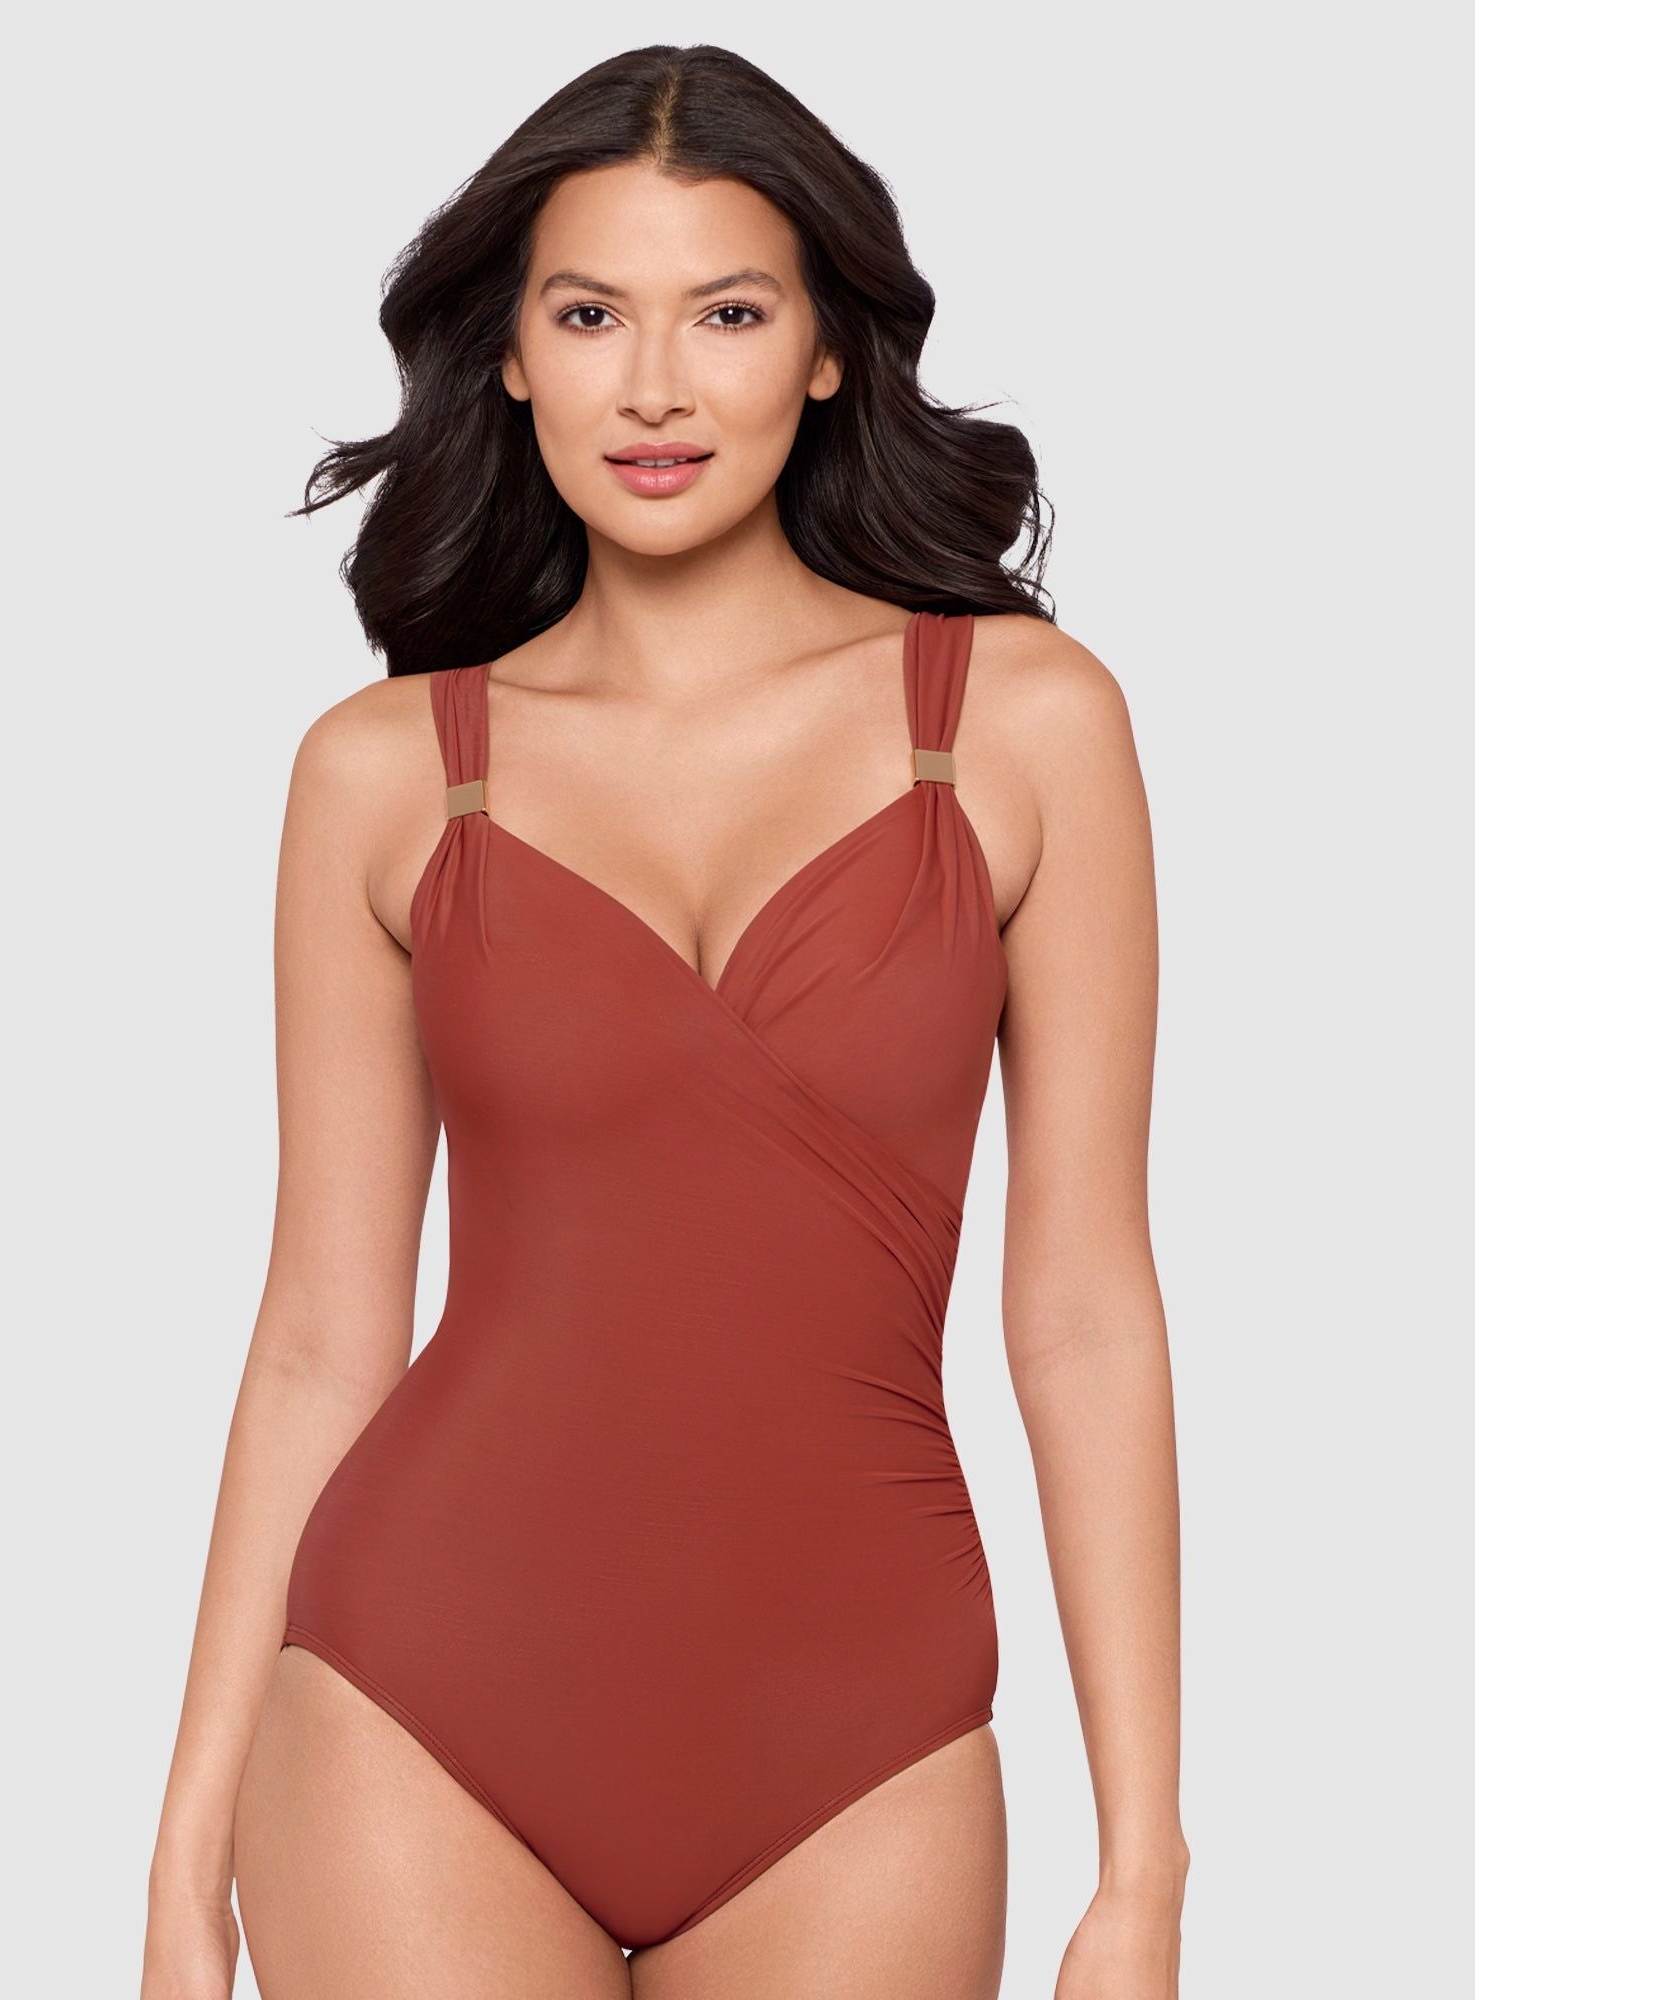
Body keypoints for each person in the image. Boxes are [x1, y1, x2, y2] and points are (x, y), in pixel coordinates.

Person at [142, 43, 1186, 2000]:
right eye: (588, 314)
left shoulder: (1024, 727)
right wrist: (181, 1863)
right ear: (509, 357)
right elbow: (318, 1337)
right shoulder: (384, 770)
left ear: (825, 350)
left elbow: (1083, 1312)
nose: (652, 386)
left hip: (860, 1732)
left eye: (726, 313)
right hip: (414, 1707)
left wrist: (1144, 1864)